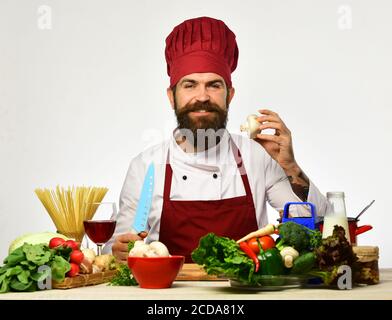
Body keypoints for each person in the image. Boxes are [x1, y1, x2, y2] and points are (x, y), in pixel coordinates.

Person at [104, 17, 329, 262]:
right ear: (172, 96)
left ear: (229, 95)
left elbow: (318, 229)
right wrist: (119, 251)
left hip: (248, 294)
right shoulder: (147, 166)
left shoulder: (256, 157)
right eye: (190, 85)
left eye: (214, 85)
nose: (202, 96)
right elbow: (117, 249)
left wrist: (290, 168)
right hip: (171, 295)